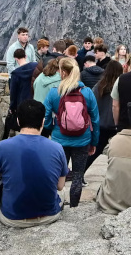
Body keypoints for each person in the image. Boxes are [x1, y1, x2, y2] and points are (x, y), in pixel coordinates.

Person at [0, 99, 67, 228]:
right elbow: (60, 186)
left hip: (13, 218)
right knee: (62, 192)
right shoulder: (57, 148)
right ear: (43, 122)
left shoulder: (3, 146)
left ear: (18, 121)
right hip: (49, 216)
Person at [42, 57, 100, 208]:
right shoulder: (87, 92)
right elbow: (95, 120)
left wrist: (51, 129)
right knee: (78, 175)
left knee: (58, 174)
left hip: (59, 140)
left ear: (63, 73)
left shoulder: (54, 92)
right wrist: (94, 142)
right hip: (83, 140)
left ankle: (57, 204)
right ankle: (74, 207)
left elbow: (46, 116)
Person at [85, 61, 124, 173]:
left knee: (95, 151)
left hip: (100, 123)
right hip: (116, 124)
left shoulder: (99, 85)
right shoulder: (120, 86)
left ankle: (80, 173)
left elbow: (91, 103)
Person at [6, 49, 38, 140]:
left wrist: (12, 107)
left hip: (22, 102)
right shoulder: (35, 67)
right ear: (26, 56)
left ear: (16, 59)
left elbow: (13, 93)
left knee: (23, 127)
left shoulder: (15, 74)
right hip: (35, 99)